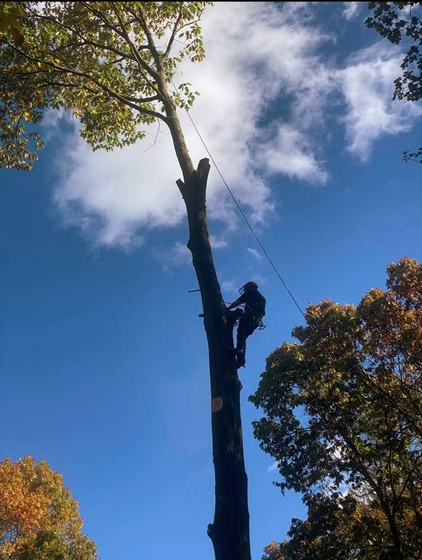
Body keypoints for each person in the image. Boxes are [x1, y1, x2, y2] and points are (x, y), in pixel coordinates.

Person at [227, 281, 266, 368]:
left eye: (245, 288)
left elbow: (238, 302)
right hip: (254, 323)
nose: (244, 290)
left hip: (249, 318)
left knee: (241, 335)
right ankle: (240, 356)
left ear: (249, 287)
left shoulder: (250, 292)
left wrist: (227, 309)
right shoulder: (260, 298)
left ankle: (239, 352)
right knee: (243, 337)